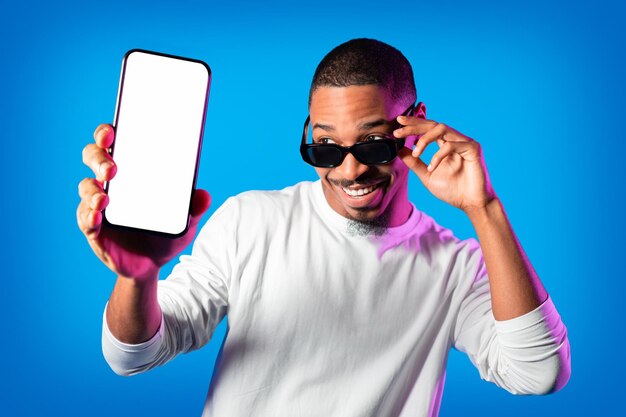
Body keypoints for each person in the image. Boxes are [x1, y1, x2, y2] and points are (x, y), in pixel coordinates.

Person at [77, 38, 571, 416]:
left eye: (373, 143)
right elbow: (133, 356)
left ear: (415, 123)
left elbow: (538, 373)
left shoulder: (456, 267)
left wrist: (484, 207)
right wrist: (137, 277)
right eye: (326, 148)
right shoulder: (251, 221)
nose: (349, 170)